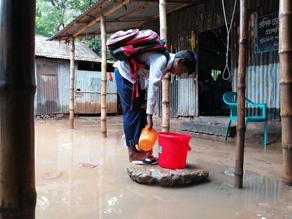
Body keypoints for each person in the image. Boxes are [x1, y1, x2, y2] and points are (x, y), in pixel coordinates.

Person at [114, 50, 197, 163]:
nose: (179, 74)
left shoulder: (166, 66)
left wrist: (146, 102)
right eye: (182, 71)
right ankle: (132, 153)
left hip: (137, 78)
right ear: (180, 60)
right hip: (126, 74)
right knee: (133, 110)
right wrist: (150, 114)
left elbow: (150, 80)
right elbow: (153, 85)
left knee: (141, 109)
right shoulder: (161, 60)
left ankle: (140, 148)